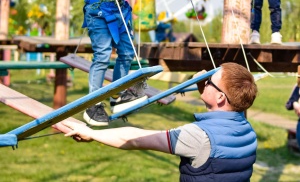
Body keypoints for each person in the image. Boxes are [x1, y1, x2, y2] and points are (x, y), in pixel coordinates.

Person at [63, 62, 258, 181]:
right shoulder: (247, 131)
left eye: (209, 81)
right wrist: (206, 88)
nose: (204, 81)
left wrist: (92, 133)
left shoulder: (199, 137)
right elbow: (221, 113)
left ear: (220, 98)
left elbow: (137, 138)